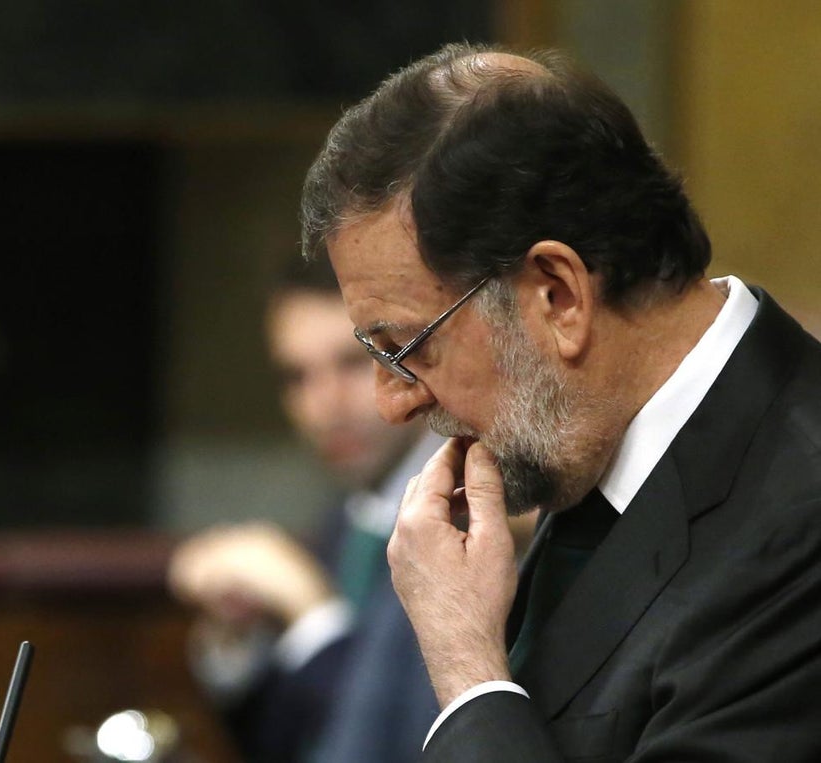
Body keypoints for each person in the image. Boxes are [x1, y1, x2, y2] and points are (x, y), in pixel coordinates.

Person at [299, 42, 821, 761]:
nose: (394, 402)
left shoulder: (803, 514)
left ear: (558, 294)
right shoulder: (594, 452)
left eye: (410, 345)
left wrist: (468, 669)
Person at [169, 258, 535, 763]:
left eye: (350, 362)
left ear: (408, 352)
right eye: (296, 377)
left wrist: (311, 616)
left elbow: (398, 745)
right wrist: (242, 639)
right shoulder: (342, 525)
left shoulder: (493, 520)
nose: (324, 405)